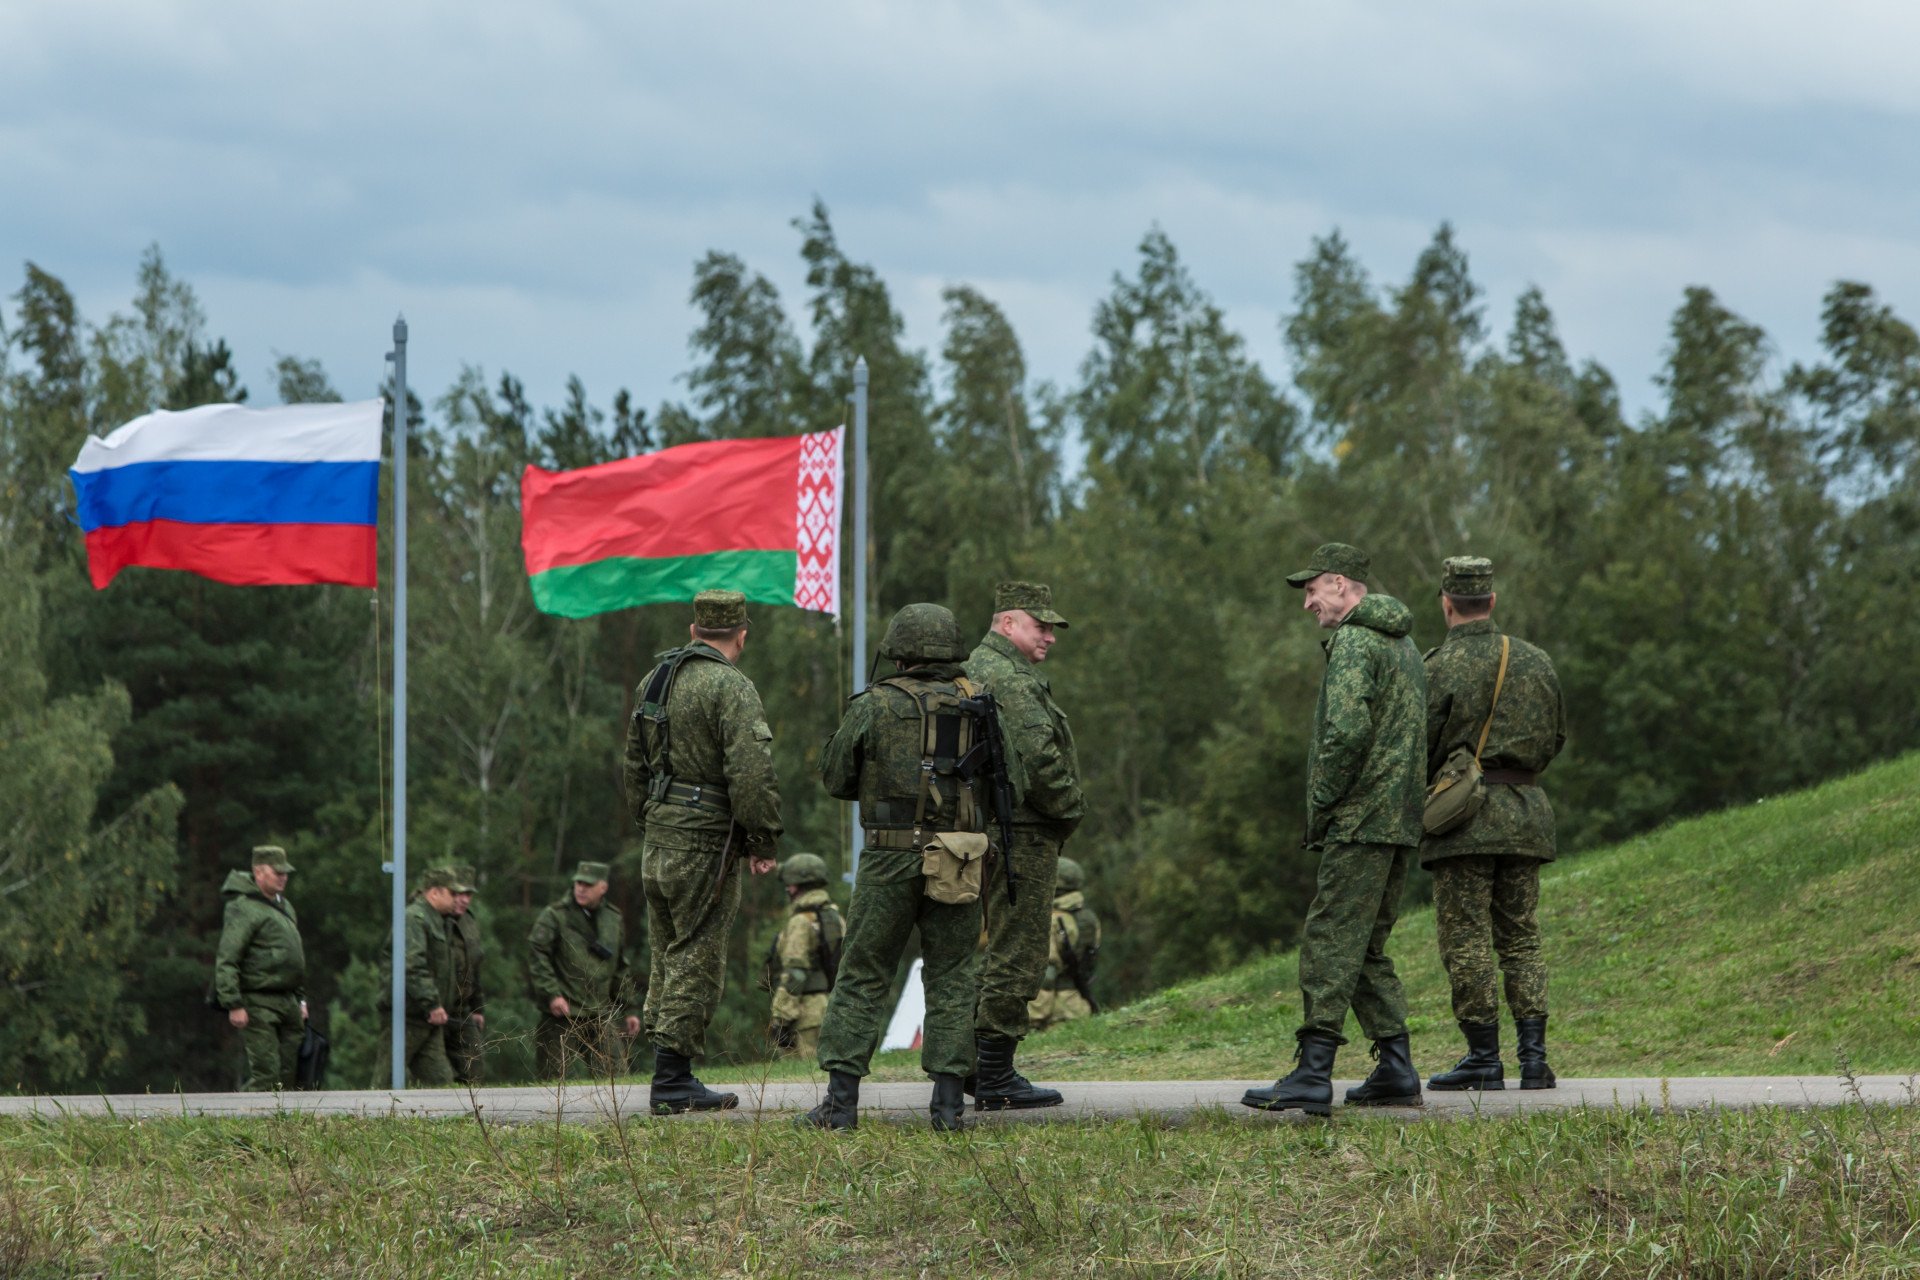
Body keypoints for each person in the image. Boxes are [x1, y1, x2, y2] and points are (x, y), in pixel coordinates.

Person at [804, 603, 1024, 1132]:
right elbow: (1013, 781)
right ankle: (948, 1109)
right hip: (960, 859)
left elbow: (835, 777)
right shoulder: (980, 706)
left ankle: (840, 1104)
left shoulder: (875, 705)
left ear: (899, 651)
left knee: (863, 973)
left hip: (889, 856)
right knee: (953, 976)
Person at [1244, 543, 1427, 1115]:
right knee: (1365, 945)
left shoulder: (1354, 640)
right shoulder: (1405, 644)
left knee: (1329, 938)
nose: (1308, 605)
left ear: (1342, 585)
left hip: (1361, 817)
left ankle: (1313, 1072)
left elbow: (1345, 733)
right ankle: (1396, 1069)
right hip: (1399, 819)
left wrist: (1322, 804)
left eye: (1313, 591)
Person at [623, 588, 783, 1114]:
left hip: (659, 835)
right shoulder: (731, 687)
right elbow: (752, 772)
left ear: (694, 631)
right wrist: (761, 840)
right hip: (704, 839)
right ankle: (672, 1082)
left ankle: (669, 1070)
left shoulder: (656, 679)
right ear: (742, 634)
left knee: (668, 950)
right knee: (698, 952)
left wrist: (649, 819)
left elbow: (633, 765)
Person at [1421, 556, 1568, 1091]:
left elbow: (1422, 745)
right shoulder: (1536, 661)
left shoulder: (1437, 666)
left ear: (1446, 602)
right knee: (1521, 937)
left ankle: (1483, 1058)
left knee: (1466, 939)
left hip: (1465, 822)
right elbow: (1554, 739)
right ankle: (1535, 1060)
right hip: (1527, 814)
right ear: (1492, 601)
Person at [962, 581, 1082, 1110]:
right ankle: (994, 1075)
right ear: (1007, 623)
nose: (1050, 637)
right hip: (1021, 830)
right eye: (1041, 625)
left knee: (984, 948)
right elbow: (1039, 757)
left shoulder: (969, 667)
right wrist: (1070, 809)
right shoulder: (1008, 677)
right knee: (1019, 949)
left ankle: (968, 1062)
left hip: (979, 829)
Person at [527, 860, 640, 1079]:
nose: (581, 888)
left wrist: (630, 1008)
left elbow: (619, 967)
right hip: (563, 1013)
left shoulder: (613, 918)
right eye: (578, 883)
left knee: (616, 1080)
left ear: (603, 887)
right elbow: (537, 954)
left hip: (600, 1012)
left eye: (588, 885)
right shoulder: (555, 915)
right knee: (552, 1083)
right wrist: (551, 994)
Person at [213, 845, 308, 1091]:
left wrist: (301, 1000)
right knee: (267, 1075)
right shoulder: (243, 907)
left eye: (285, 872)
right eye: (277, 872)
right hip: (258, 1000)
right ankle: (237, 1121)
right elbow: (228, 957)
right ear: (258, 872)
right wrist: (233, 1003)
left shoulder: (284, 906)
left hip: (288, 1000)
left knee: (288, 1076)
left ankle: (281, 1128)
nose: (283, 877)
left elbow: (293, 958)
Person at [765, 854, 844, 1059]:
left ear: (798, 885)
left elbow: (795, 974)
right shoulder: (835, 918)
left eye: (790, 885)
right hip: (831, 1009)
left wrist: (780, 1018)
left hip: (804, 1014)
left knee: (801, 1080)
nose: (787, 889)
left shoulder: (801, 922)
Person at [394, 866, 459, 1086]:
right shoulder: (415, 917)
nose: (457, 899)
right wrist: (431, 1002)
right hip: (407, 1014)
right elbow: (412, 964)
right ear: (434, 893)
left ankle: (448, 1119)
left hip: (428, 1017)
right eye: (452, 893)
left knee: (442, 1083)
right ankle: (369, 1118)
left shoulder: (438, 920)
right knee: (387, 1077)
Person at [1028, 857, 1101, 1033]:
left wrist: (1032, 1017)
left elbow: (1047, 974)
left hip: (1055, 1013)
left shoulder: (1052, 920)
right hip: (1079, 1006)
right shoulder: (1089, 918)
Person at [447, 864, 487, 1085]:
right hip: (435, 1009)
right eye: (458, 893)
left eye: (468, 894)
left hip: (462, 1009)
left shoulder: (469, 922)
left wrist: (477, 1007)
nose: (463, 899)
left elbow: (475, 966)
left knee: (474, 1065)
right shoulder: (432, 921)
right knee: (436, 1075)